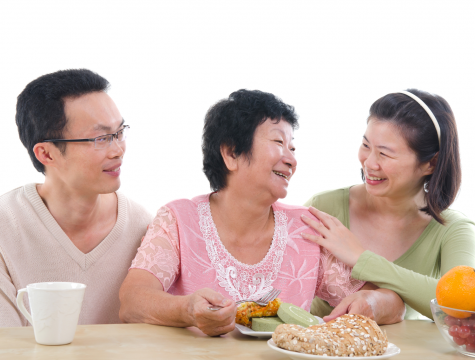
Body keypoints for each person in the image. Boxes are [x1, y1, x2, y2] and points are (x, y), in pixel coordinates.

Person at [119, 89, 405, 337]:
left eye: (293, 147)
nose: (292, 159)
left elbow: (392, 303)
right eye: (279, 143)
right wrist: (187, 310)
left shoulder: (306, 228)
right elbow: (132, 301)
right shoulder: (178, 219)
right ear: (231, 153)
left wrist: (372, 304)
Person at [301, 89, 475, 320]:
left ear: (431, 163)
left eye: (385, 154)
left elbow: (463, 308)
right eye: (366, 146)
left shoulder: (453, 230)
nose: (370, 163)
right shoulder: (324, 207)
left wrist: (362, 259)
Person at [0, 69, 152, 327]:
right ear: (46, 154)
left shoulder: (143, 228)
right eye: (101, 138)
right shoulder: (7, 226)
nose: (118, 150)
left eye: (119, 132)